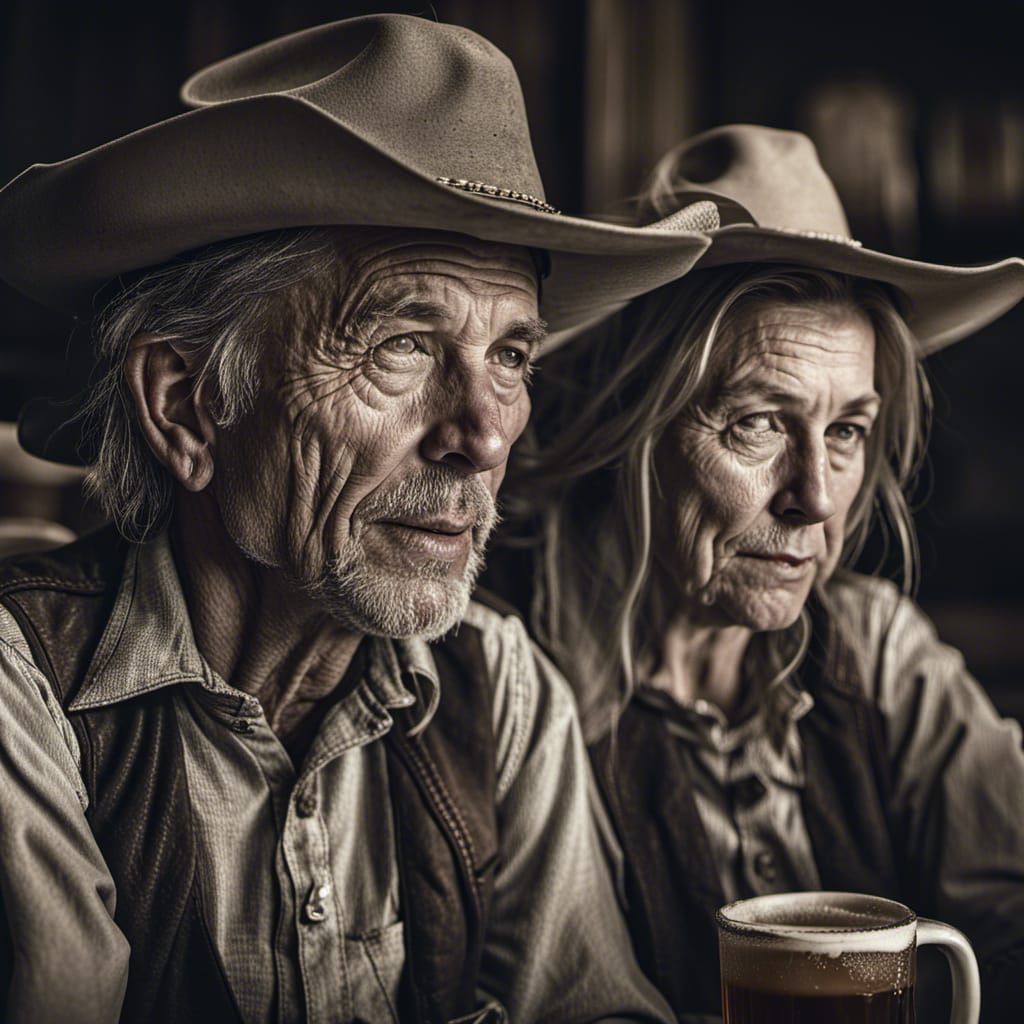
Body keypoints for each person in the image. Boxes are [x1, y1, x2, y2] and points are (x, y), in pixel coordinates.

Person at [0, 15, 721, 1023]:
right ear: (186, 405)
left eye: (511, 357)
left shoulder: (498, 685)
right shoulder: (24, 690)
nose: (480, 435)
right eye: (402, 344)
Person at [512, 125, 1024, 1023]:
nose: (815, 499)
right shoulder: (511, 680)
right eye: (757, 423)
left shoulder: (875, 652)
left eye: (846, 432)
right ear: (631, 424)